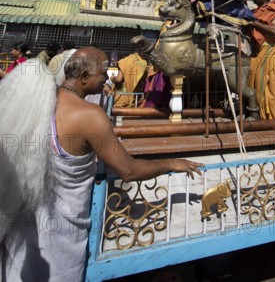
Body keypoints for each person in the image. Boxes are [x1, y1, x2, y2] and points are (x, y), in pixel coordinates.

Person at [0, 47, 202, 280]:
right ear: (84, 77)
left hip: (25, 228)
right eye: (103, 72)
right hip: (60, 240)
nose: (108, 77)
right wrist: (172, 163)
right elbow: (128, 170)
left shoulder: (42, 101)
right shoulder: (90, 116)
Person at [247, 0, 275, 126]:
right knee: (253, 85)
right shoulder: (253, 12)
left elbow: (274, 30)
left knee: (271, 88)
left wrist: (254, 23)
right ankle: (258, 118)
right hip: (256, 52)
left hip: (269, 49)